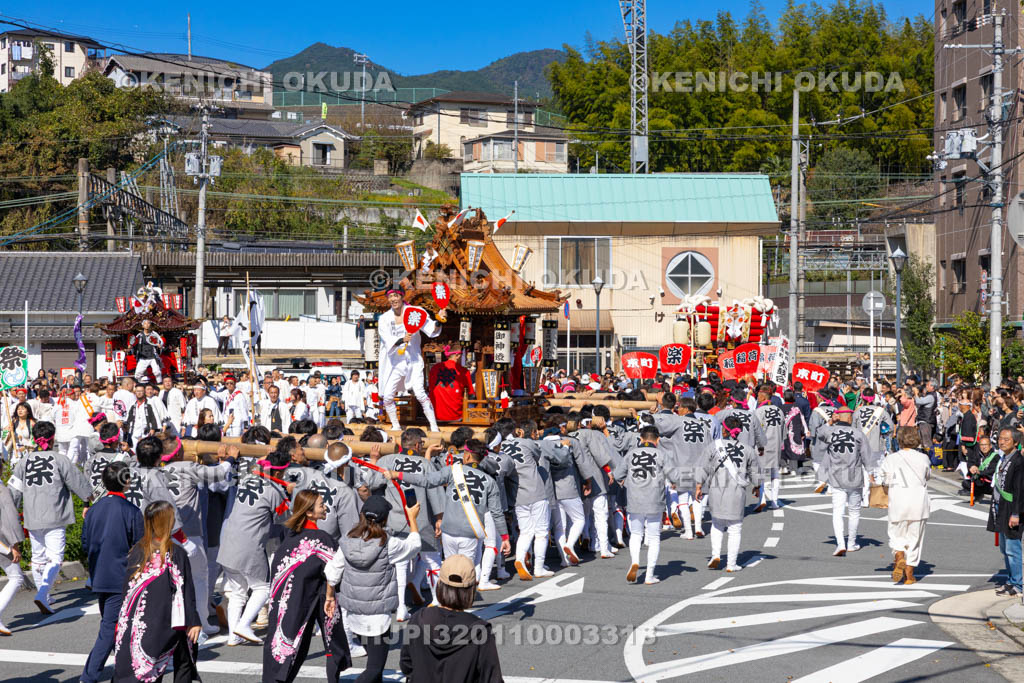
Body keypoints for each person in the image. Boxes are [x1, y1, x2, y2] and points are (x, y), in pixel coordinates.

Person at [325, 494, 422, 683]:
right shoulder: (388, 544)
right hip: (378, 616)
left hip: (354, 614)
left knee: (374, 669)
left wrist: (330, 597)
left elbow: (332, 571)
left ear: (361, 515)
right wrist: (412, 519)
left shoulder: (347, 540)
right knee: (374, 669)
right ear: (385, 519)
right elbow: (415, 545)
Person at [262, 490, 352, 683]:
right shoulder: (321, 539)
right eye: (321, 505)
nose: (325, 507)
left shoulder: (289, 538)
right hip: (311, 598)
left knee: (284, 648)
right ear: (309, 512)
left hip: (286, 602)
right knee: (321, 644)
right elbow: (338, 569)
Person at [8, 420, 93, 614]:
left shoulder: (24, 461)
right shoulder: (60, 459)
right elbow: (78, 483)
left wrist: (11, 512)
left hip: (32, 516)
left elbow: (14, 492)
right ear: (53, 437)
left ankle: (44, 594)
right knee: (55, 558)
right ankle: (43, 593)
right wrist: (87, 502)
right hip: (55, 514)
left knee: (38, 558)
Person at [112, 500, 201, 682]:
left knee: (150, 672)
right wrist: (194, 621)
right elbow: (185, 591)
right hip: (166, 621)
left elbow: (126, 591)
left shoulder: (136, 550)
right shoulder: (175, 553)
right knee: (184, 659)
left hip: (137, 623)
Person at [219, 440, 295, 645]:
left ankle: (234, 635)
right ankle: (244, 626)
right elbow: (285, 519)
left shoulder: (247, 479)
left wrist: (266, 458)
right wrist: (291, 493)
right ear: (279, 474)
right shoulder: (274, 492)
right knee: (263, 588)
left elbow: (257, 468)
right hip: (249, 545)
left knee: (238, 591)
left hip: (227, 541)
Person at [80, 461, 145, 683]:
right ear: (126, 482)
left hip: (99, 574)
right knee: (111, 627)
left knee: (114, 624)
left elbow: (86, 544)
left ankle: (125, 667)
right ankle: (89, 676)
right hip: (121, 576)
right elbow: (139, 548)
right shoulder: (131, 510)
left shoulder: (93, 510)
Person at [399, 554, 505, 683]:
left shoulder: (419, 618)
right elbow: (491, 678)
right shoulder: (479, 631)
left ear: (440, 585)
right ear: (471, 590)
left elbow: (406, 664)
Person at [614, 424, 680, 584]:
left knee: (636, 534)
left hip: (635, 498)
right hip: (654, 499)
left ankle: (635, 561)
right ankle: (649, 575)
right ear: (657, 440)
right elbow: (675, 476)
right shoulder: (661, 454)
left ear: (641, 439)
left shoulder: (631, 454)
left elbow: (617, 474)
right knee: (654, 536)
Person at [697, 415, 762, 572]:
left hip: (716, 490)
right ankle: (731, 564)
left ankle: (715, 555)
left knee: (717, 524)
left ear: (724, 429)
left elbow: (703, 467)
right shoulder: (747, 450)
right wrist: (757, 486)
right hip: (736, 492)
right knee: (735, 528)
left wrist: (699, 486)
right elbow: (755, 473)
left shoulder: (713, 446)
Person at [377, 288, 442, 432]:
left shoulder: (415, 312)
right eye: (390, 296)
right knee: (387, 396)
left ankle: (434, 426)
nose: (393, 299)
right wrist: (401, 339)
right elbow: (386, 339)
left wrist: (439, 320)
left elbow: (431, 329)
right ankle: (396, 425)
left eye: (396, 296)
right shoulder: (385, 318)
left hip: (413, 361)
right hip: (395, 363)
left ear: (402, 297)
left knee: (420, 393)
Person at [819, 406, 870, 557]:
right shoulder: (858, 434)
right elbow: (867, 456)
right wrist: (871, 473)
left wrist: (829, 422)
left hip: (836, 478)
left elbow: (819, 433)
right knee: (854, 511)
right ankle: (851, 543)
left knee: (838, 512)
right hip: (855, 477)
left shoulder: (830, 432)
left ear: (838, 417)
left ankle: (840, 543)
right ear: (850, 418)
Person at [988, 428, 1024, 597]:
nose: (1001, 442)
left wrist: (1016, 513)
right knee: (1004, 548)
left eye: (1006, 440)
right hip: (1000, 506)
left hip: (1012, 508)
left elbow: (1019, 490)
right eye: (1000, 439)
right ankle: (1010, 580)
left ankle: (1018, 584)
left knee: (1012, 547)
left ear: (1016, 442)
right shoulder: (1004, 458)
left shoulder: (1018, 461)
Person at [0, 476, 25, 636]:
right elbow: (9, 518)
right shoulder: (2, 490)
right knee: (16, 577)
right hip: (2, 542)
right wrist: (14, 544)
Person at [132, 319, 165, 384]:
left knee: (157, 371)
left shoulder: (154, 333)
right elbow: (134, 343)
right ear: (142, 326)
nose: (147, 325)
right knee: (138, 373)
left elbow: (161, 341)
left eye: (148, 323)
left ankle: (159, 383)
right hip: (143, 357)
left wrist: (159, 345)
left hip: (152, 356)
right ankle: (139, 384)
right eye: (145, 324)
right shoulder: (139, 335)